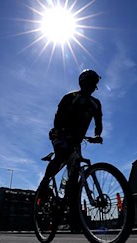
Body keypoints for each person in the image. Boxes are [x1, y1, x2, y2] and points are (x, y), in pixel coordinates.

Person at [40, 69, 103, 231]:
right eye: (90, 83)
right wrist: (60, 131)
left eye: (94, 84)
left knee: (74, 179)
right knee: (61, 155)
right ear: (82, 83)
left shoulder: (96, 103)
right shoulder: (70, 97)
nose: (92, 87)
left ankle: (74, 219)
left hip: (76, 142)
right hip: (60, 134)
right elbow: (58, 116)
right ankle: (44, 184)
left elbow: (98, 123)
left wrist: (97, 135)